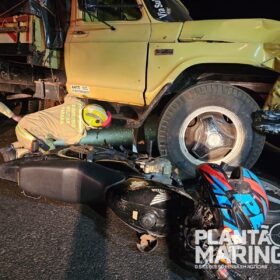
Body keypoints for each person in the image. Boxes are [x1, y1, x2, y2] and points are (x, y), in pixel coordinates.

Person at [0, 95, 111, 162]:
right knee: (50, 151)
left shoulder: (77, 103)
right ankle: (18, 154)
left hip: (24, 122)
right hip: (30, 136)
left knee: (44, 135)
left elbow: (70, 95)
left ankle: (11, 147)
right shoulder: (77, 133)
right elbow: (68, 143)